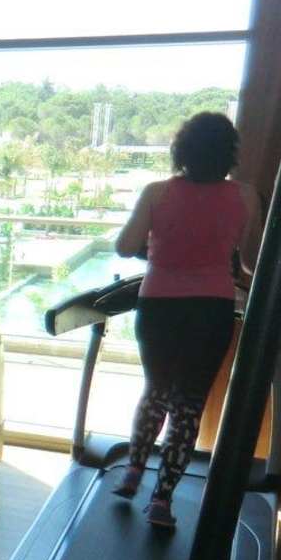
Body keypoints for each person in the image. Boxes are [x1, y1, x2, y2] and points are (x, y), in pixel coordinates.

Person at [113, 112, 259, 528]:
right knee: (189, 405)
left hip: (159, 305)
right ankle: (162, 500)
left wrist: (159, 247)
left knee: (156, 390)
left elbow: (124, 246)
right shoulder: (246, 196)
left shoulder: (157, 192)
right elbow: (248, 262)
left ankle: (133, 470)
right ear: (229, 153)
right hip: (212, 308)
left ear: (181, 150)